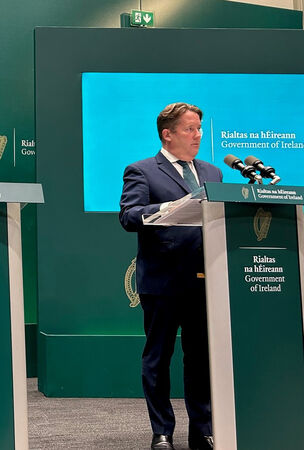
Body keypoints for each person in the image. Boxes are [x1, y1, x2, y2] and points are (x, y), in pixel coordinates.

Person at [119, 102, 221, 450]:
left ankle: (203, 430)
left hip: (204, 280)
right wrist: (168, 208)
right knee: (158, 359)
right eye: (190, 129)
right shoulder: (142, 171)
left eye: (199, 128)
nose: (198, 135)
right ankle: (162, 431)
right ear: (168, 134)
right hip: (162, 282)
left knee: (201, 359)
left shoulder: (212, 173)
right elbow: (129, 216)